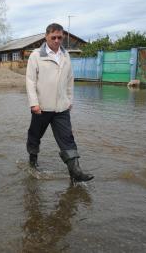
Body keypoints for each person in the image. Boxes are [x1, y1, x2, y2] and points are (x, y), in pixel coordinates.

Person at [25, 23, 94, 183]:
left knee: (67, 138)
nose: (57, 41)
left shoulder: (65, 55)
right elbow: (30, 81)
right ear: (46, 37)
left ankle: (75, 172)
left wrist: (69, 100)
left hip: (61, 108)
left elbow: (70, 80)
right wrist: (34, 103)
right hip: (41, 107)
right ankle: (32, 161)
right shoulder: (36, 55)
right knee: (35, 136)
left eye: (59, 37)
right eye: (53, 37)